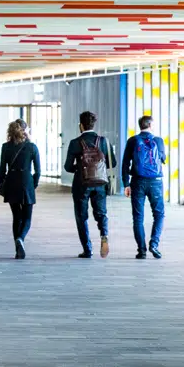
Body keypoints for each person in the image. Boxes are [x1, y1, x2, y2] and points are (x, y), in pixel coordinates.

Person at [64, 110, 116, 259]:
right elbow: (113, 163)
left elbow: (68, 167)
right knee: (101, 213)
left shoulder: (75, 143)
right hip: (100, 183)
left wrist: (81, 168)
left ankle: (87, 249)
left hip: (81, 184)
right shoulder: (104, 141)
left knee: (81, 216)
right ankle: (104, 235)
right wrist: (98, 168)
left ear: (81, 125)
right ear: (93, 125)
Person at [122, 115, 167, 260]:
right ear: (151, 125)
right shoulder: (158, 140)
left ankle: (141, 250)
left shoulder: (132, 141)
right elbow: (163, 158)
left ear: (140, 126)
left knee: (138, 217)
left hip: (137, 182)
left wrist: (126, 184)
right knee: (159, 214)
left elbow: (125, 163)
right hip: (155, 182)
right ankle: (154, 244)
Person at [0, 118, 41, 259]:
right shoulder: (32, 147)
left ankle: (18, 249)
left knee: (16, 216)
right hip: (26, 181)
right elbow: (38, 171)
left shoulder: (6, 147)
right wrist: (33, 184)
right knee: (27, 217)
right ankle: (20, 239)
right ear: (24, 130)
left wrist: (1, 184)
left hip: (11, 181)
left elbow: (2, 169)